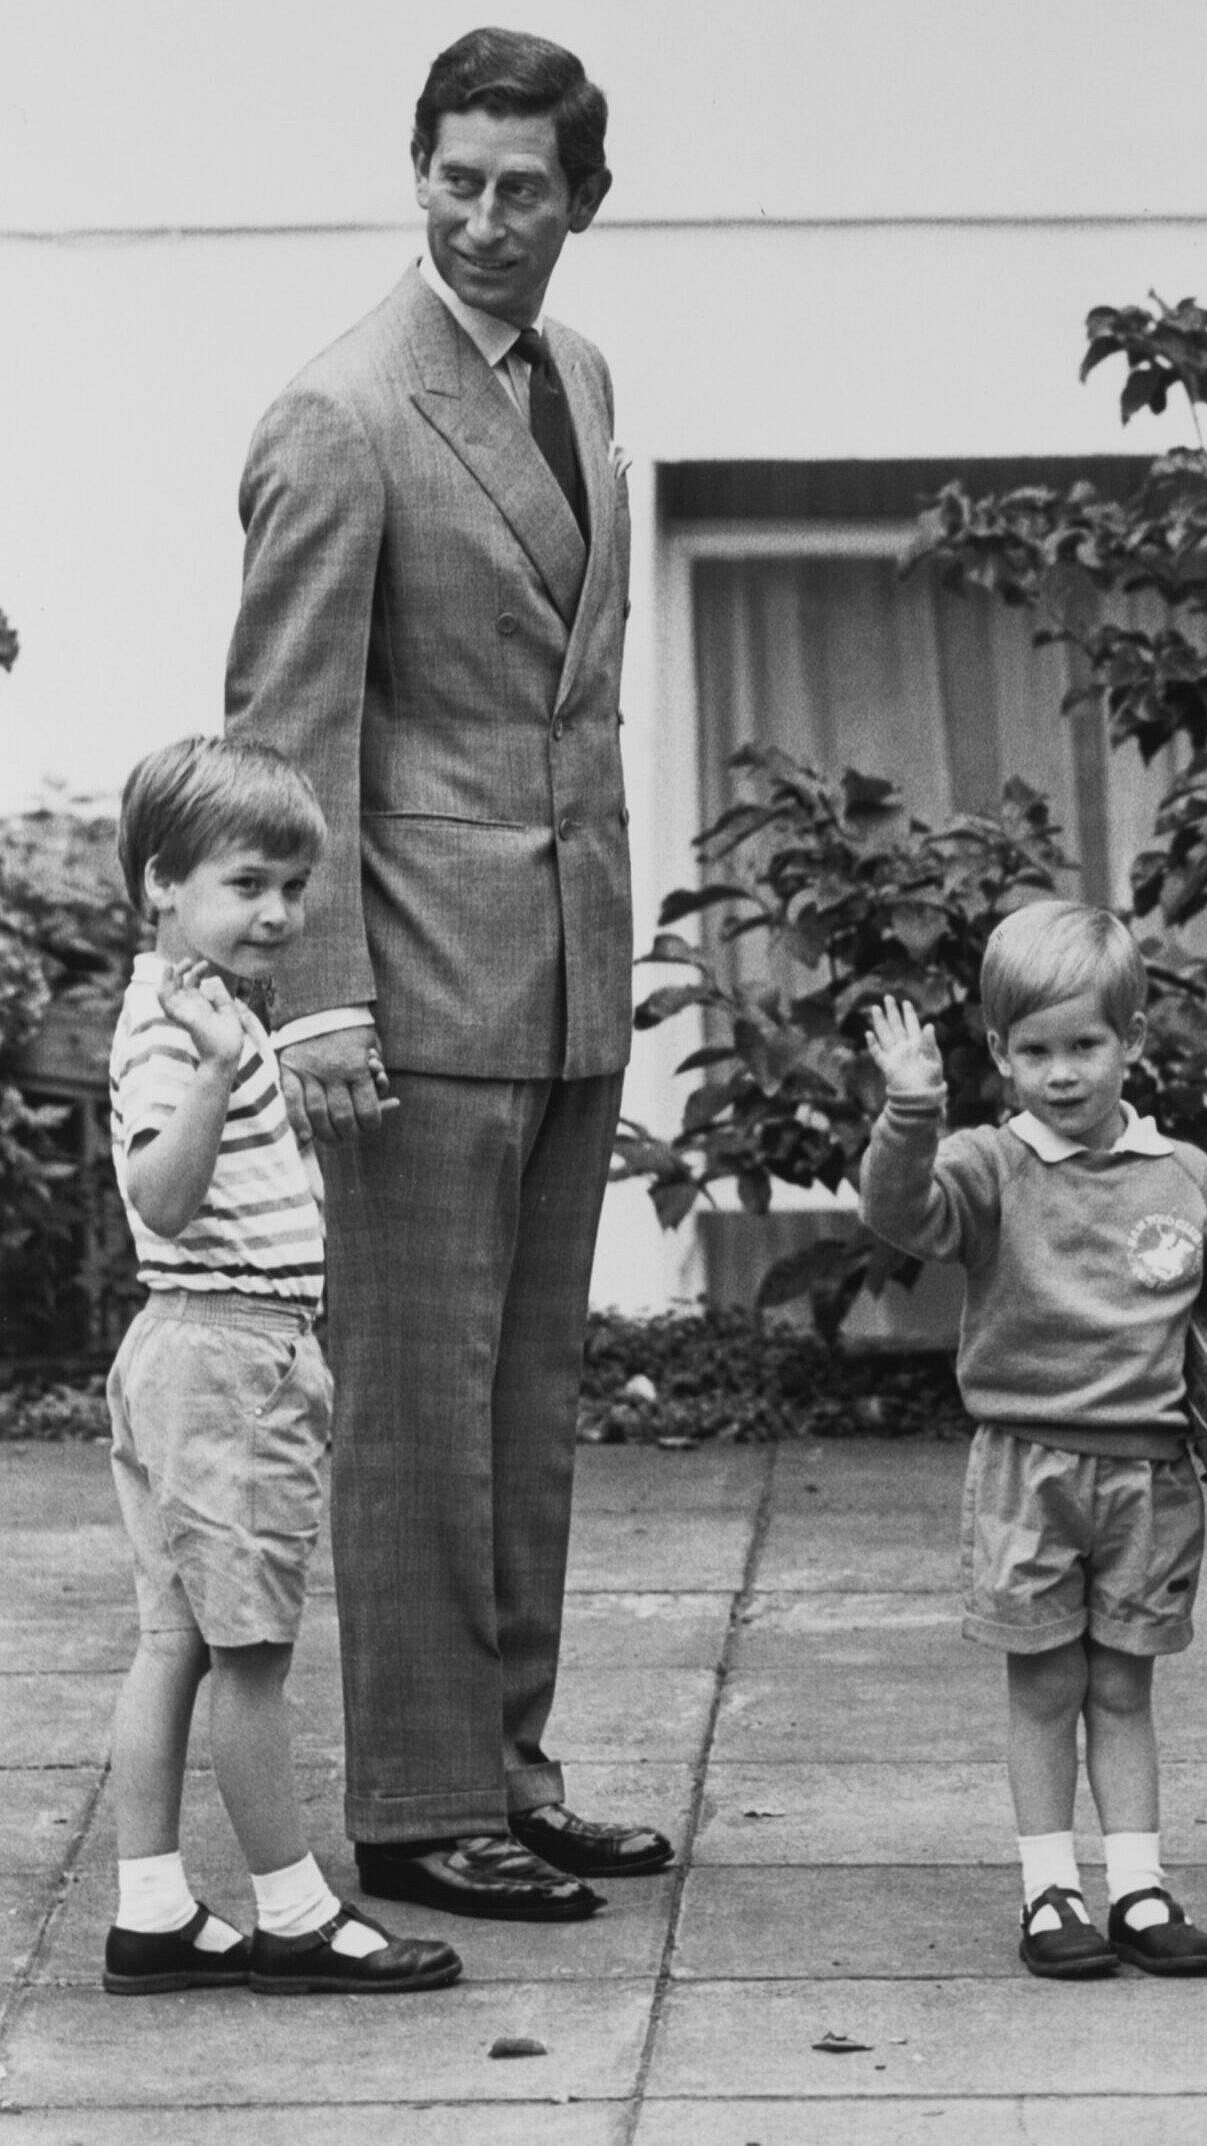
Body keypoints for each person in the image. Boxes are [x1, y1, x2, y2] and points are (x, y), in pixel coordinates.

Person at [223, 28, 670, 1920]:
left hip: (561, 975)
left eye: (524, 186)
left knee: (527, 1398)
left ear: (586, 195)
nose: (488, 219)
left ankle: (511, 1760)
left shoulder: (576, 370)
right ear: (417, 172)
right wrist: (315, 999)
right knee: (413, 1407)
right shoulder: (344, 412)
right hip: (404, 993)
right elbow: (278, 736)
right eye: (456, 179)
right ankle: (416, 1801)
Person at [859, 901, 1207, 1977]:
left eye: (1085, 1045)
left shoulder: (1188, 1177)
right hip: (1026, 1471)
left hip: (1152, 1479)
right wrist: (910, 1115)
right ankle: (1051, 1890)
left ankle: (1140, 1890)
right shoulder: (987, 1167)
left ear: (1132, 1042)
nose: (1062, 1073)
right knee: (1045, 1685)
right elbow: (898, 1216)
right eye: (1036, 1050)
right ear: (1001, 1055)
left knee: (1124, 1686)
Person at [102, 736, 461, 1997]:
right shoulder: (176, 1027)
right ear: (161, 882)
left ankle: (152, 1909)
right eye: (248, 882)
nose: (279, 912)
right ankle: (294, 1913)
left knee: (178, 1642)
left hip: (195, 1349)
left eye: (293, 886)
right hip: (224, 1355)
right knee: (250, 1650)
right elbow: (157, 1189)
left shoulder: (203, 1007)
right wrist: (213, 1078)